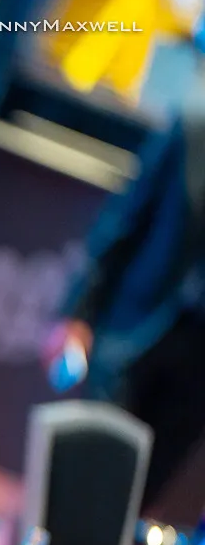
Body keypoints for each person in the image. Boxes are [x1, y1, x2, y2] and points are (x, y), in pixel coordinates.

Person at [44, 88, 205, 515]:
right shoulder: (192, 122)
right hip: (132, 333)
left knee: (135, 505)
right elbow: (125, 220)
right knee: (79, 482)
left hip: (198, 371)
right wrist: (78, 314)